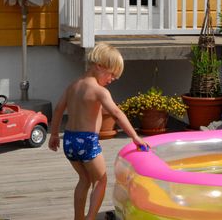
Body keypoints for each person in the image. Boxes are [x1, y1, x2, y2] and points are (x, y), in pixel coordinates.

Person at [48, 42, 149, 220]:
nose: (112, 80)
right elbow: (116, 113)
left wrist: (54, 134)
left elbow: (58, 109)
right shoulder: (99, 91)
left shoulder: (73, 85)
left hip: (69, 141)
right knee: (101, 180)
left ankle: (78, 218)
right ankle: (91, 217)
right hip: (87, 142)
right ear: (99, 66)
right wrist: (135, 137)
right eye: (111, 75)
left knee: (84, 180)